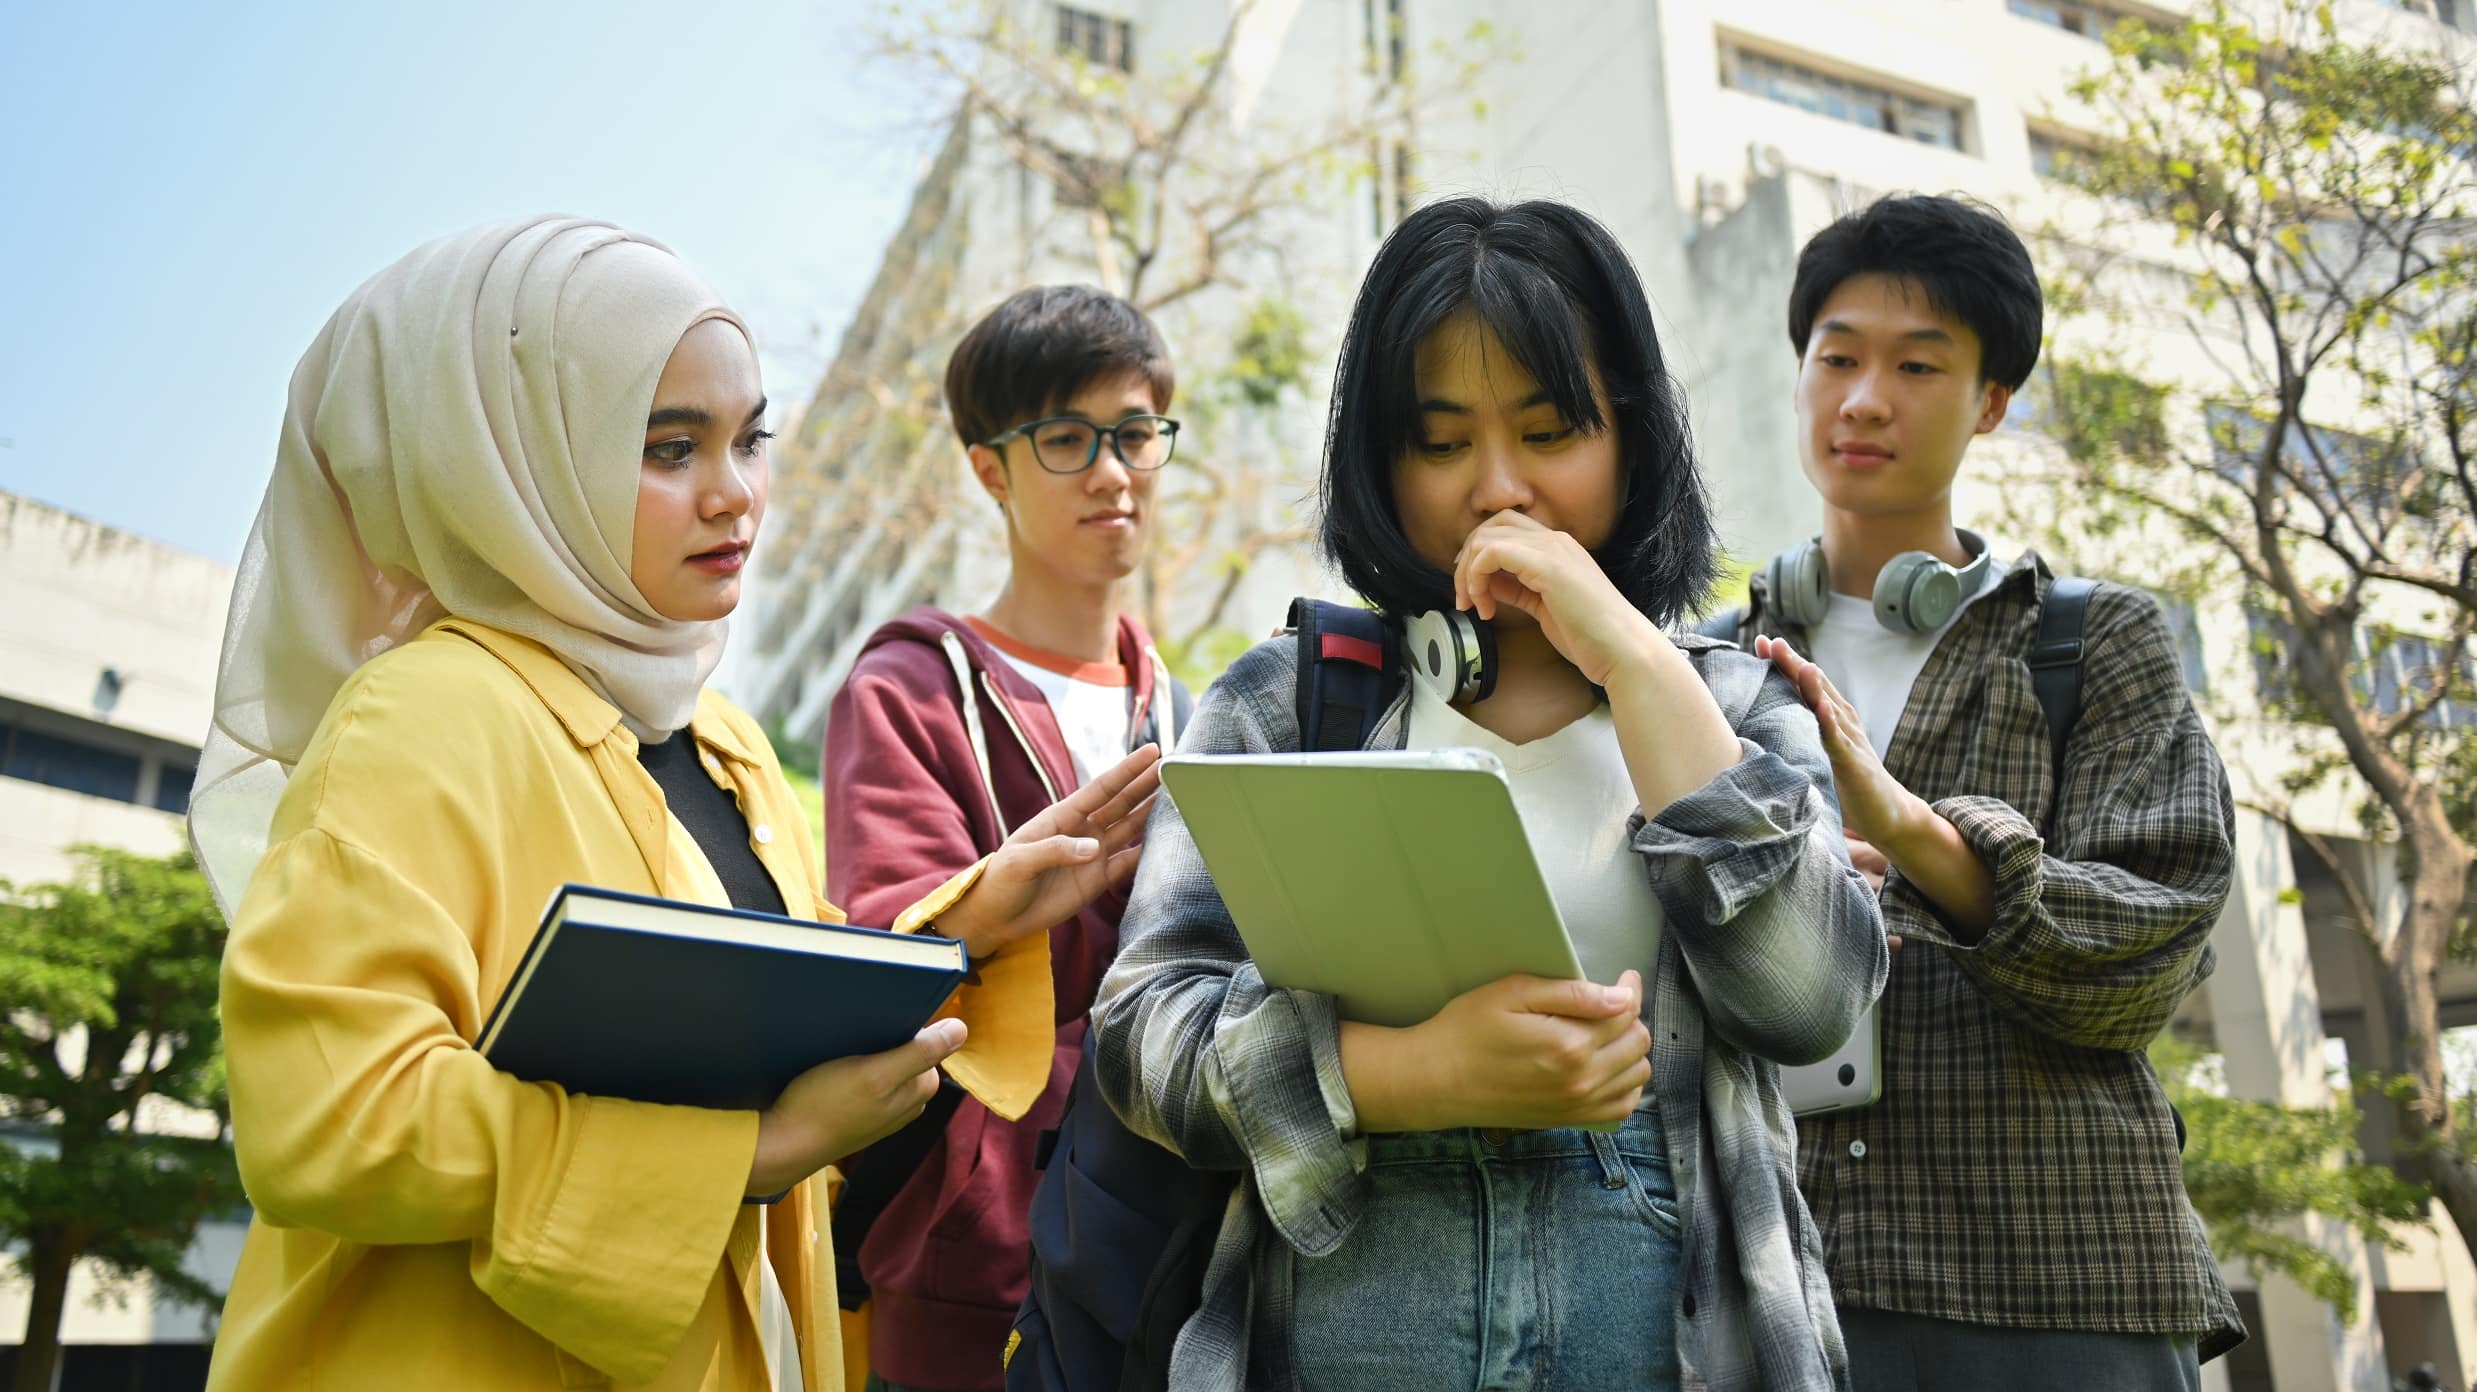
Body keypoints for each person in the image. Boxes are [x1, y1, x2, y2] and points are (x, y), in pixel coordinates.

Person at [189, 216, 1161, 1391]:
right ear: (508, 460)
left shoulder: (726, 743)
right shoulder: (417, 717)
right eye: (668, 448)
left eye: (749, 441)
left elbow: (780, 1036)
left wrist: (965, 931)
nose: (734, 497)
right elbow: (327, 1117)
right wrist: (750, 1150)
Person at [1087, 196, 1887, 1392]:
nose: (1497, 489)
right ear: (1379, 455)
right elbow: (1140, 1033)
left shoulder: (1730, 704)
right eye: (1441, 439)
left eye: (1549, 429)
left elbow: (1812, 1000)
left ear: (1632, 435)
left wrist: (1632, 661)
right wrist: (1406, 1076)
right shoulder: (1286, 703)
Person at [1714, 193, 2244, 1388]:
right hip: (1771, 1285)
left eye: (1915, 364)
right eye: (1834, 357)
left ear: (1989, 403)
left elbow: (2149, 952)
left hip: (2057, 1277)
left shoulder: (2092, 640)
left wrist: (1911, 835)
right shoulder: (1696, 668)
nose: (1861, 398)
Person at [821, 285, 1189, 1392]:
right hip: (973, 1268)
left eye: (1132, 434)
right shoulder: (910, 688)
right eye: (1066, 440)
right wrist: (993, 906)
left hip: (1174, 1248)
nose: (1111, 472)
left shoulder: (1196, 711)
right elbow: (882, 949)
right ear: (990, 468)